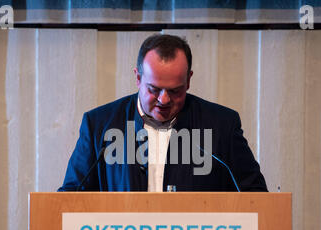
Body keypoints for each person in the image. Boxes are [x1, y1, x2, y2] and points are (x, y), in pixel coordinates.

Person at [58, 34, 267, 192]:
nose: (164, 100)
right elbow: (70, 198)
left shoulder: (222, 125)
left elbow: (255, 196)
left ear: (189, 80)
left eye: (175, 90)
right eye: (154, 89)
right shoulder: (99, 125)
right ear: (138, 78)